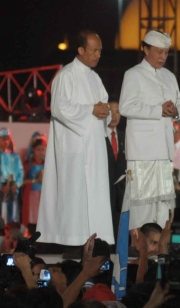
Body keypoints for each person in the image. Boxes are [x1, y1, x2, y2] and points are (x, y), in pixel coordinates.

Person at [37, 30, 113, 245]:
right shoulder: (66, 75)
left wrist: (105, 111)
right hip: (75, 150)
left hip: (94, 147)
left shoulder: (94, 78)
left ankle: (95, 241)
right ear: (81, 50)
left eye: (100, 50)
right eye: (94, 50)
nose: (98, 55)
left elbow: (103, 105)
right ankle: (71, 243)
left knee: (94, 197)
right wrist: (90, 109)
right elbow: (59, 109)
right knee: (74, 198)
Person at [119, 30, 180, 231]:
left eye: (166, 53)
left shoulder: (169, 76)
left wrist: (175, 110)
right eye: (159, 52)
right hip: (142, 151)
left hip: (164, 151)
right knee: (142, 203)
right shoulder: (133, 74)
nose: (163, 57)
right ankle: (139, 249)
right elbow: (125, 107)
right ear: (145, 49)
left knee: (162, 204)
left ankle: (159, 248)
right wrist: (158, 110)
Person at [105, 96, 126, 242]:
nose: (114, 115)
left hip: (121, 191)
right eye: (110, 111)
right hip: (103, 188)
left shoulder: (126, 137)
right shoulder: (97, 136)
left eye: (117, 111)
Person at [22, 132, 47, 227]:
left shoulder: (47, 163)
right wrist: (35, 180)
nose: (40, 152)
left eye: (42, 149)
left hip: (45, 195)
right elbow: (22, 181)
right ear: (33, 150)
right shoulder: (28, 163)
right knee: (33, 221)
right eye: (38, 150)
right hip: (32, 195)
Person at [0, 129, 24, 223]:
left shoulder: (14, 156)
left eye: (7, 139)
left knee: (12, 213)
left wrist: (17, 184)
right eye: (3, 139)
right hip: (2, 188)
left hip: (12, 188)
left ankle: (11, 233)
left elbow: (20, 172)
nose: (6, 142)